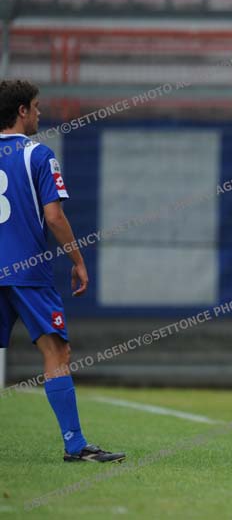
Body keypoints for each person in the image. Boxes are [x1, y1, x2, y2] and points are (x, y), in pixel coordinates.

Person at [0, 80, 124, 463]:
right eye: (36, 106)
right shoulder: (38, 154)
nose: (40, 113)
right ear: (22, 111)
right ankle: (75, 445)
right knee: (57, 351)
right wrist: (78, 260)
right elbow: (53, 216)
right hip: (27, 272)